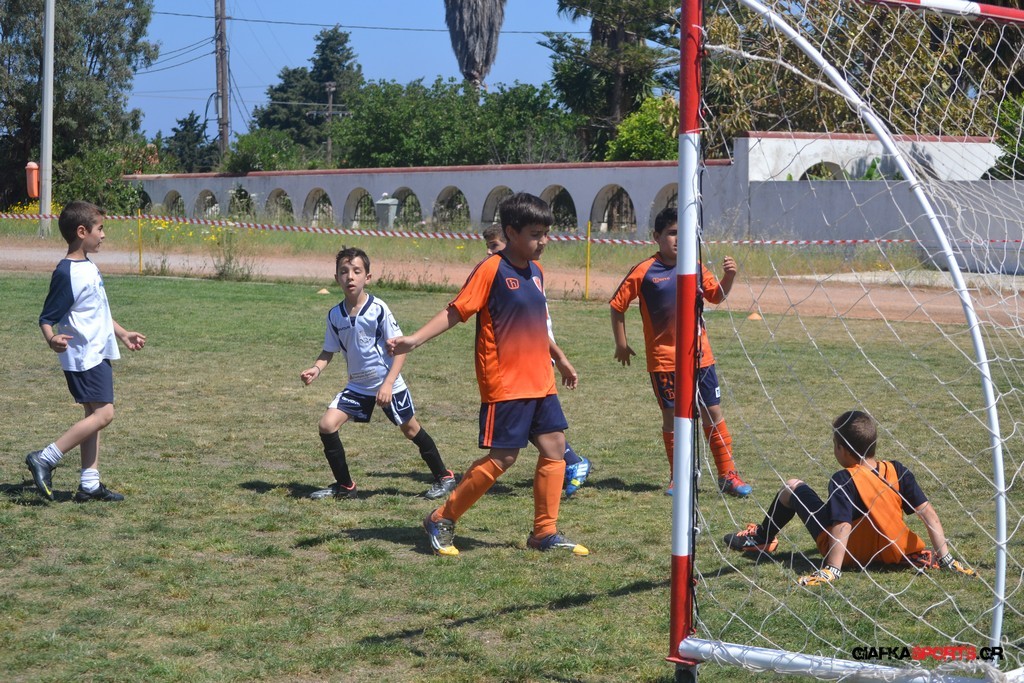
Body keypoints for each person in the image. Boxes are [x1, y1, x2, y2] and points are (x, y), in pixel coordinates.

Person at [389, 193, 588, 557]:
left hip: (541, 381)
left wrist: (559, 358)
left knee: (555, 448)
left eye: (546, 233)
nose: (544, 241)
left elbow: (535, 324)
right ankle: (441, 517)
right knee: (504, 457)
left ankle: (544, 533)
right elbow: (456, 310)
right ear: (511, 232)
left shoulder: (537, 272)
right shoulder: (491, 270)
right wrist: (414, 340)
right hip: (507, 382)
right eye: (535, 234)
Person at [723, 410, 976, 585]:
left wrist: (832, 569)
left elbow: (842, 525)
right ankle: (763, 537)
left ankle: (763, 537)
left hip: (848, 553)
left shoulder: (843, 478)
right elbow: (927, 513)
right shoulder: (897, 470)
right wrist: (946, 558)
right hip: (893, 550)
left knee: (792, 487)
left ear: (841, 449)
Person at [610, 206, 752, 497]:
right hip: (664, 361)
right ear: (656, 236)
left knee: (712, 412)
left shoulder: (695, 267)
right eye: (672, 233)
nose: (678, 239)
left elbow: (715, 296)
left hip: (701, 357)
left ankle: (728, 474)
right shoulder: (644, 271)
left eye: (683, 233)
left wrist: (729, 277)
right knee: (673, 415)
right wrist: (621, 343)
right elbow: (617, 305)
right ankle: (678, 477)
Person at [300, 247, 457, 500]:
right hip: (358, 387)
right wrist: (316, 368)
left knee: (410, 430)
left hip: (388, 383)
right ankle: (345, 487)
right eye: (344, 272)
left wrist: (388, 384)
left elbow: (400, 349)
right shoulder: (334, 315)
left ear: (368, 277)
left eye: (356, 271)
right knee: (327, 425)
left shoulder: (378, 308)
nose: (350, 276)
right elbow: (329, 350)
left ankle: (445, 476)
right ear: (337, 278)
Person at [26, 200, 147, 502]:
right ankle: (46, 457)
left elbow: (97, 311)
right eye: (100, 228)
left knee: (93, 414)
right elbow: (46, 317)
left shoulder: (88, 266)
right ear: (82, 232)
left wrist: (122, 333)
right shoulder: (67, 272)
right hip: (83, 356)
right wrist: (51, 339)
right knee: (104, 414)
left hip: (97, 351)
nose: (103, 235)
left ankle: (89, 484)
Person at [481, 224, 592, 498]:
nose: (490, 252)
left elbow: (535, 327)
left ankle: (573, 462)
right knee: (536, 426)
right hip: (528, 356)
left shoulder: (527, 273)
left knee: (522, 430)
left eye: (494, 246)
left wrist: (559, 357)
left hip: (533, 357)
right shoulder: (508, 271)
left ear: (510, 239)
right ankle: (571, 462)